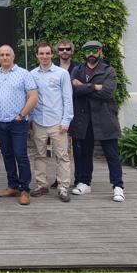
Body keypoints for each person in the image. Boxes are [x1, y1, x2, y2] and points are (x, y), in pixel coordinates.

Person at [69, 41, 125, 202]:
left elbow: (107, 92)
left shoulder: (108, 70)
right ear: (84, 53)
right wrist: (95, 87)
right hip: (84, 119)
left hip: (104, 118)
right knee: (84, 153)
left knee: (112, 154)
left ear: (100, 52)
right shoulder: (77, 70)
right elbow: (74, 89)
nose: (91, 54)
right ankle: (84, 183)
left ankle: (118, 186)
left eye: (94, 50)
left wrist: (85, 87)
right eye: (87, 51)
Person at [0, 45, 38, 206]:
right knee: (7, 155)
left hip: (18, 123)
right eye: (2, 55)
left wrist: (22, 115)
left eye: (8, 54)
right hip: (1, 122)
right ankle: (12, 186)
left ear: (13, 57)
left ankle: (25, 190)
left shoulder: (24, 74)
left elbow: (33, 96)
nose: (5, 57)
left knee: (20, 155)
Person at [29, 42, 74, 203]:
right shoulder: (32, 74)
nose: (44, 56)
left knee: (62, 156)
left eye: (47, 53)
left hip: (57, 122)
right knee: (39, 155)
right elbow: (30, 98)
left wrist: (66, 120)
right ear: (37, 55)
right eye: (41, 53)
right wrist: (30, 119)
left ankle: (63, 188)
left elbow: (67, 99)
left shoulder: (62, 74)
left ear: (52, 55)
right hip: (39, 121)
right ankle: (41, 185)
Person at [51, 39, 82, 190]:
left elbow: (84, 88)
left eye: (67, 49)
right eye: (61, 49)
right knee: (60, 150)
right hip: (57, 115)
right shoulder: (52, 68)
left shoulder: (79, 68)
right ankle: (59, 179)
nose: (64, 51)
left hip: (76, 113)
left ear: (72, 51)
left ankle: (79, 179)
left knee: (78, 148)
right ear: (57, 52)